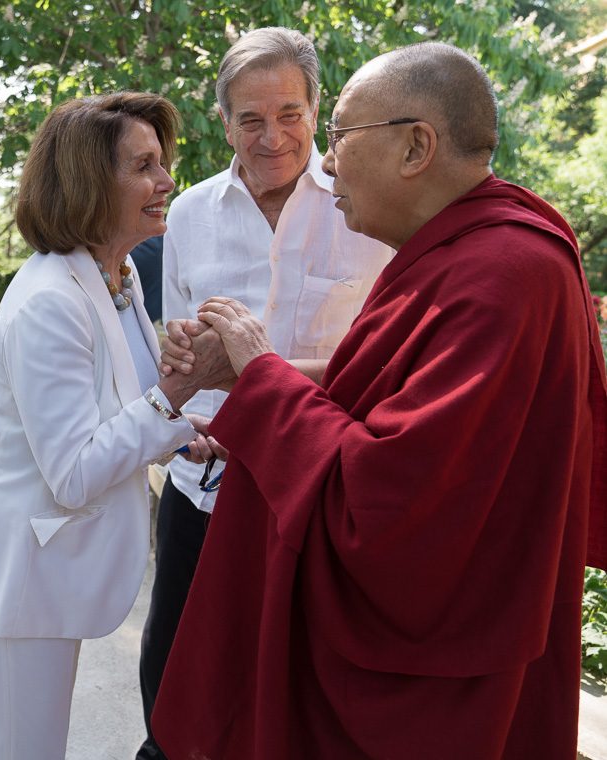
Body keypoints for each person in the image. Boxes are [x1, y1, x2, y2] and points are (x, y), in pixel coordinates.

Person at [151, 42, 607, 759]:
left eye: (335, 136)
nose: (325, 163)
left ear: (416, 146)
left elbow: (392, 497)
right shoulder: (450, 253)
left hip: (435, 663)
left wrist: (261, 377)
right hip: (202, 491)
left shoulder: (506, 276)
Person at [0, 92, 224, 760]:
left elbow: (126, 406)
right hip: (28, 564)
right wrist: (179, 392)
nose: (166, 181)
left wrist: (190, 427)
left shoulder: (118, 275)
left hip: (58, 559)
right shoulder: (48, 304)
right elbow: (72, 473)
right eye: (144, 166)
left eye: (164, 162)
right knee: (27, 751)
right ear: (91, 182)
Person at [135, 27, 392, 759]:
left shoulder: (368, 208)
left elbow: (384, 357)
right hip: (203, 484)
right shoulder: (187, 215)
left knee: (293, 682)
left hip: (313, 489)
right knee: (171, 671)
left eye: (289, 113)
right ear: (224, 122)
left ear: (317, 110)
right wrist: (187, 390)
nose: (271, 136)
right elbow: (179, 343)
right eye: (250, 118)